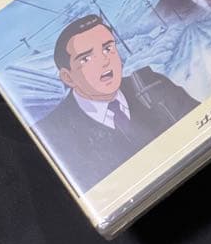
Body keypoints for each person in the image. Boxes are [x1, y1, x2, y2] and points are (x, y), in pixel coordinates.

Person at [35, 14, 198, 192]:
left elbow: (201, 126)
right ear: (68, 77)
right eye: (86, 58)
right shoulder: (52, 135)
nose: (105, 61)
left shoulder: (151, 83)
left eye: (107, 49)